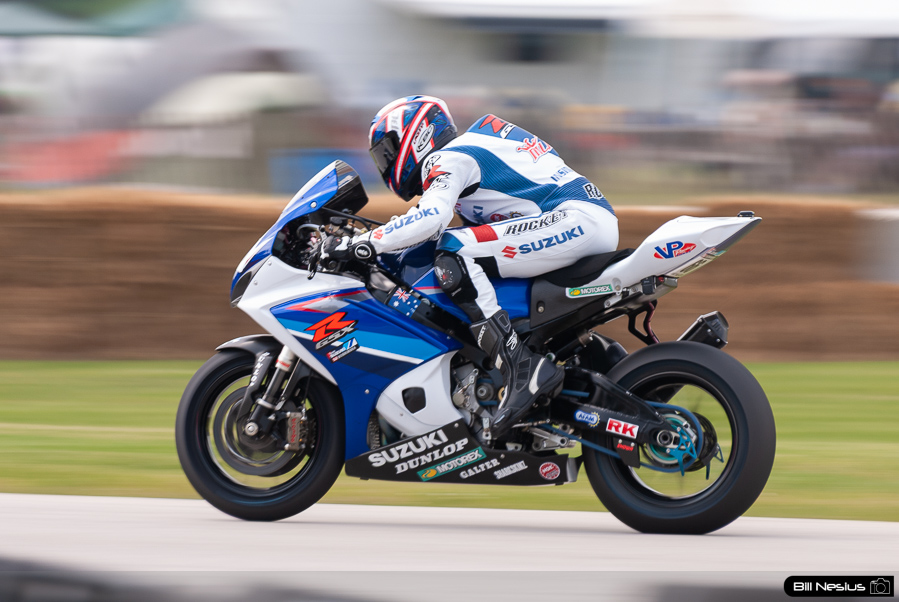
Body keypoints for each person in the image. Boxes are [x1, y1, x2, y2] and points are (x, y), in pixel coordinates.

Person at [324, 95, 619, 438]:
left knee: (453, 252)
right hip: (579, 221)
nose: (386, 164)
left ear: (415, 134)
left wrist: (361, 243)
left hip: (572, 221)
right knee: (462, 256)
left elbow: (431, 220)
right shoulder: (473, 151)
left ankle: (519, 367)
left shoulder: (449, 156)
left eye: (387, 152)